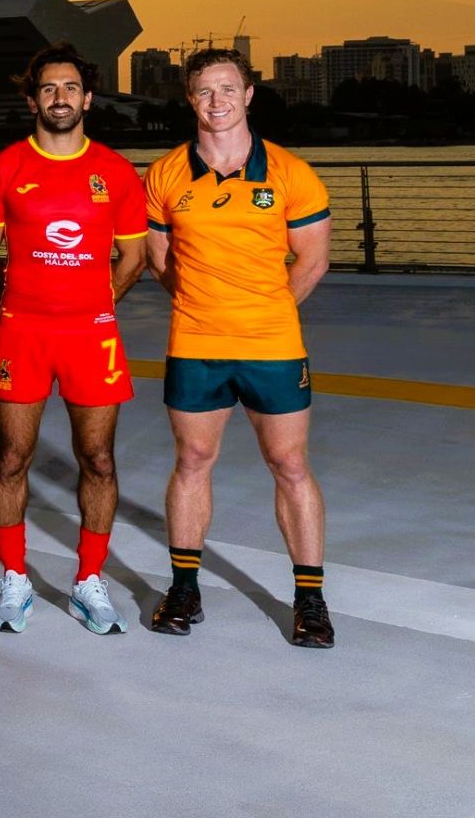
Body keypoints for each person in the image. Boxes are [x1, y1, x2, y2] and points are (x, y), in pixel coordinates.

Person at [143, 46, 335, 648]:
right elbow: (160, 261)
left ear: (249, 95)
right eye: (205, 90)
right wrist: (206, 305)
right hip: (196, 341)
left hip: (272, 344)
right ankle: (184, 589)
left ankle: (310, 600)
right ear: (190, 99)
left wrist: (266, 311)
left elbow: (313, 260)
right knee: (192, 462)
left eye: (228, 88)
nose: (217, 100)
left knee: (290, 465)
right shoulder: (165, 174)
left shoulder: (290, 173)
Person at [0, 43, 146, 635]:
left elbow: (133, 257)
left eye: (70, 88)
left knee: (98, 459)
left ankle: (89, 580)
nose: (60, 97)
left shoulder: (115, 172)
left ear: (88, 98)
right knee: (11, 457)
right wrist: (17, 303)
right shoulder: (3, 169)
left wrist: (96, 305)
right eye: (48, 88)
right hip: (23, 333)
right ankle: (14, 579)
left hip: (92, 336)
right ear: (32, 100)